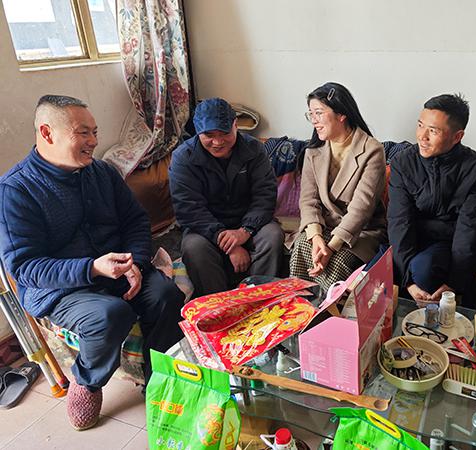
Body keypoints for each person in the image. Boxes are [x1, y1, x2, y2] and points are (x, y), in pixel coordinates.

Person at [0, 95, 184, 430]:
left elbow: (135, 220)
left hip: (117, 268)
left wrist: (136, 262)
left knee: (167, 296)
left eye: (95, 132)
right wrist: (92, 267)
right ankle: (87, 381)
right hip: (62, 288)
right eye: (83, 133)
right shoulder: (16, 190)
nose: (94, 141)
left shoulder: (102, 172)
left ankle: (158, 377)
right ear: (47, 133)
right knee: (111, 314)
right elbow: (25, 267)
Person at [169, 98, 283, 297]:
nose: (217, 142)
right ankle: (218, 303)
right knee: (193, 246)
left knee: (272, 235)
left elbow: (265, 195)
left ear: (235, 125)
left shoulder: (254, 149)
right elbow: (188, 209)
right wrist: (229, 244)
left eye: (224, 133)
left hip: (250, 224)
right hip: (205, 228)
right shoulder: (183, 158)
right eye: (209, 135)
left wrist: (245, 231)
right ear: (197, 131)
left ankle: (260, 299)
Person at [388, 94, 476, 306]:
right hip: (409, 237)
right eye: (420, 125)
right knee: (371, 278)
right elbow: (399, 221)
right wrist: (408, 281)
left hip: (446, 242)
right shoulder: (403, 162)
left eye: (433, 131)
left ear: (457, 136)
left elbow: (469, 229)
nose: (422, 136)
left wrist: (454, 284)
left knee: (424, 270)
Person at [290, 82, 387, 293]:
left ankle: (330, 311)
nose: (313, 120)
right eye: (310, 114)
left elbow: (361, 209)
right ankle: (299, 308)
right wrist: (316, 236)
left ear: (341, 114)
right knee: (302, 246)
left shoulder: (372, 150)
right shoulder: (313, 151)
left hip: (360, 232)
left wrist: (331, 247)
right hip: (324, 226)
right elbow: (308, 200)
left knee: (338, 261)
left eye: (318, 113)